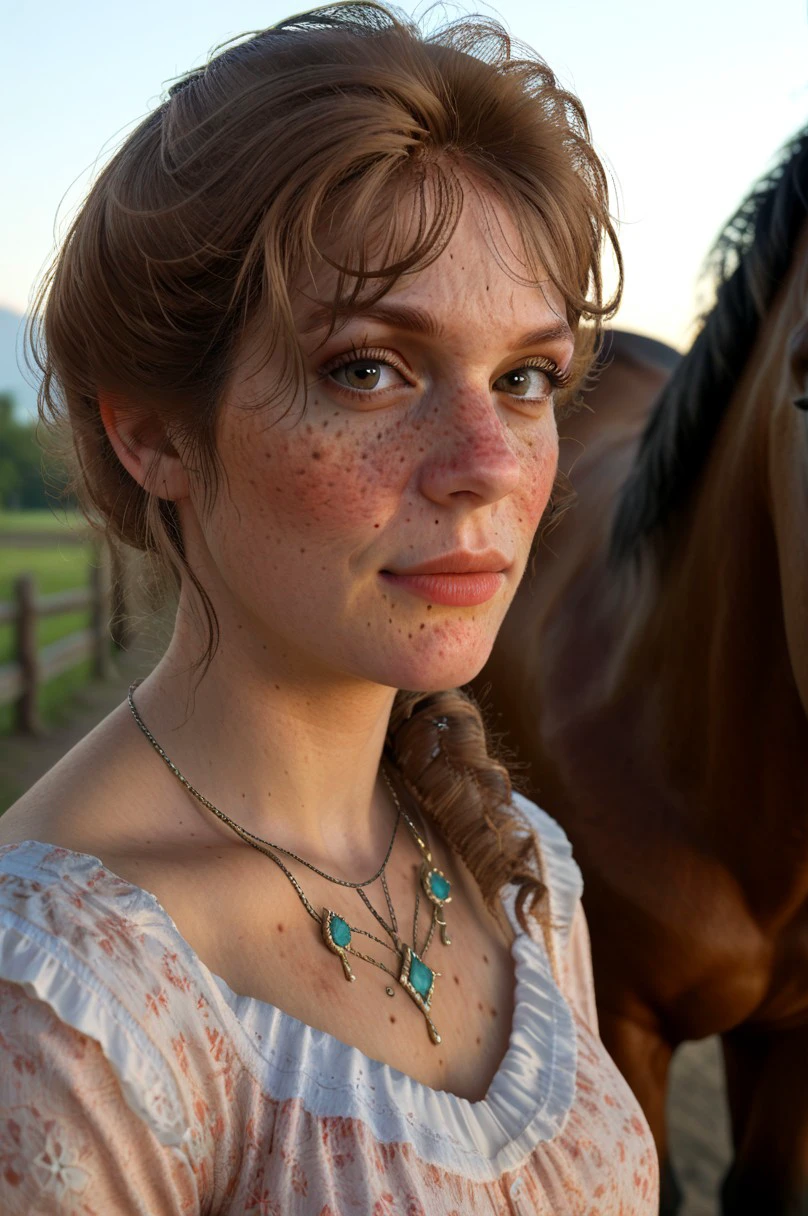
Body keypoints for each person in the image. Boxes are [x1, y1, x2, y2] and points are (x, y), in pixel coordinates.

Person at [0, 4, 658, 1212]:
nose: (488, 463)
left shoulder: (518, 867)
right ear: (151, 431)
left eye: (524, 378)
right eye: (368, 368)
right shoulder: (60, 1015)